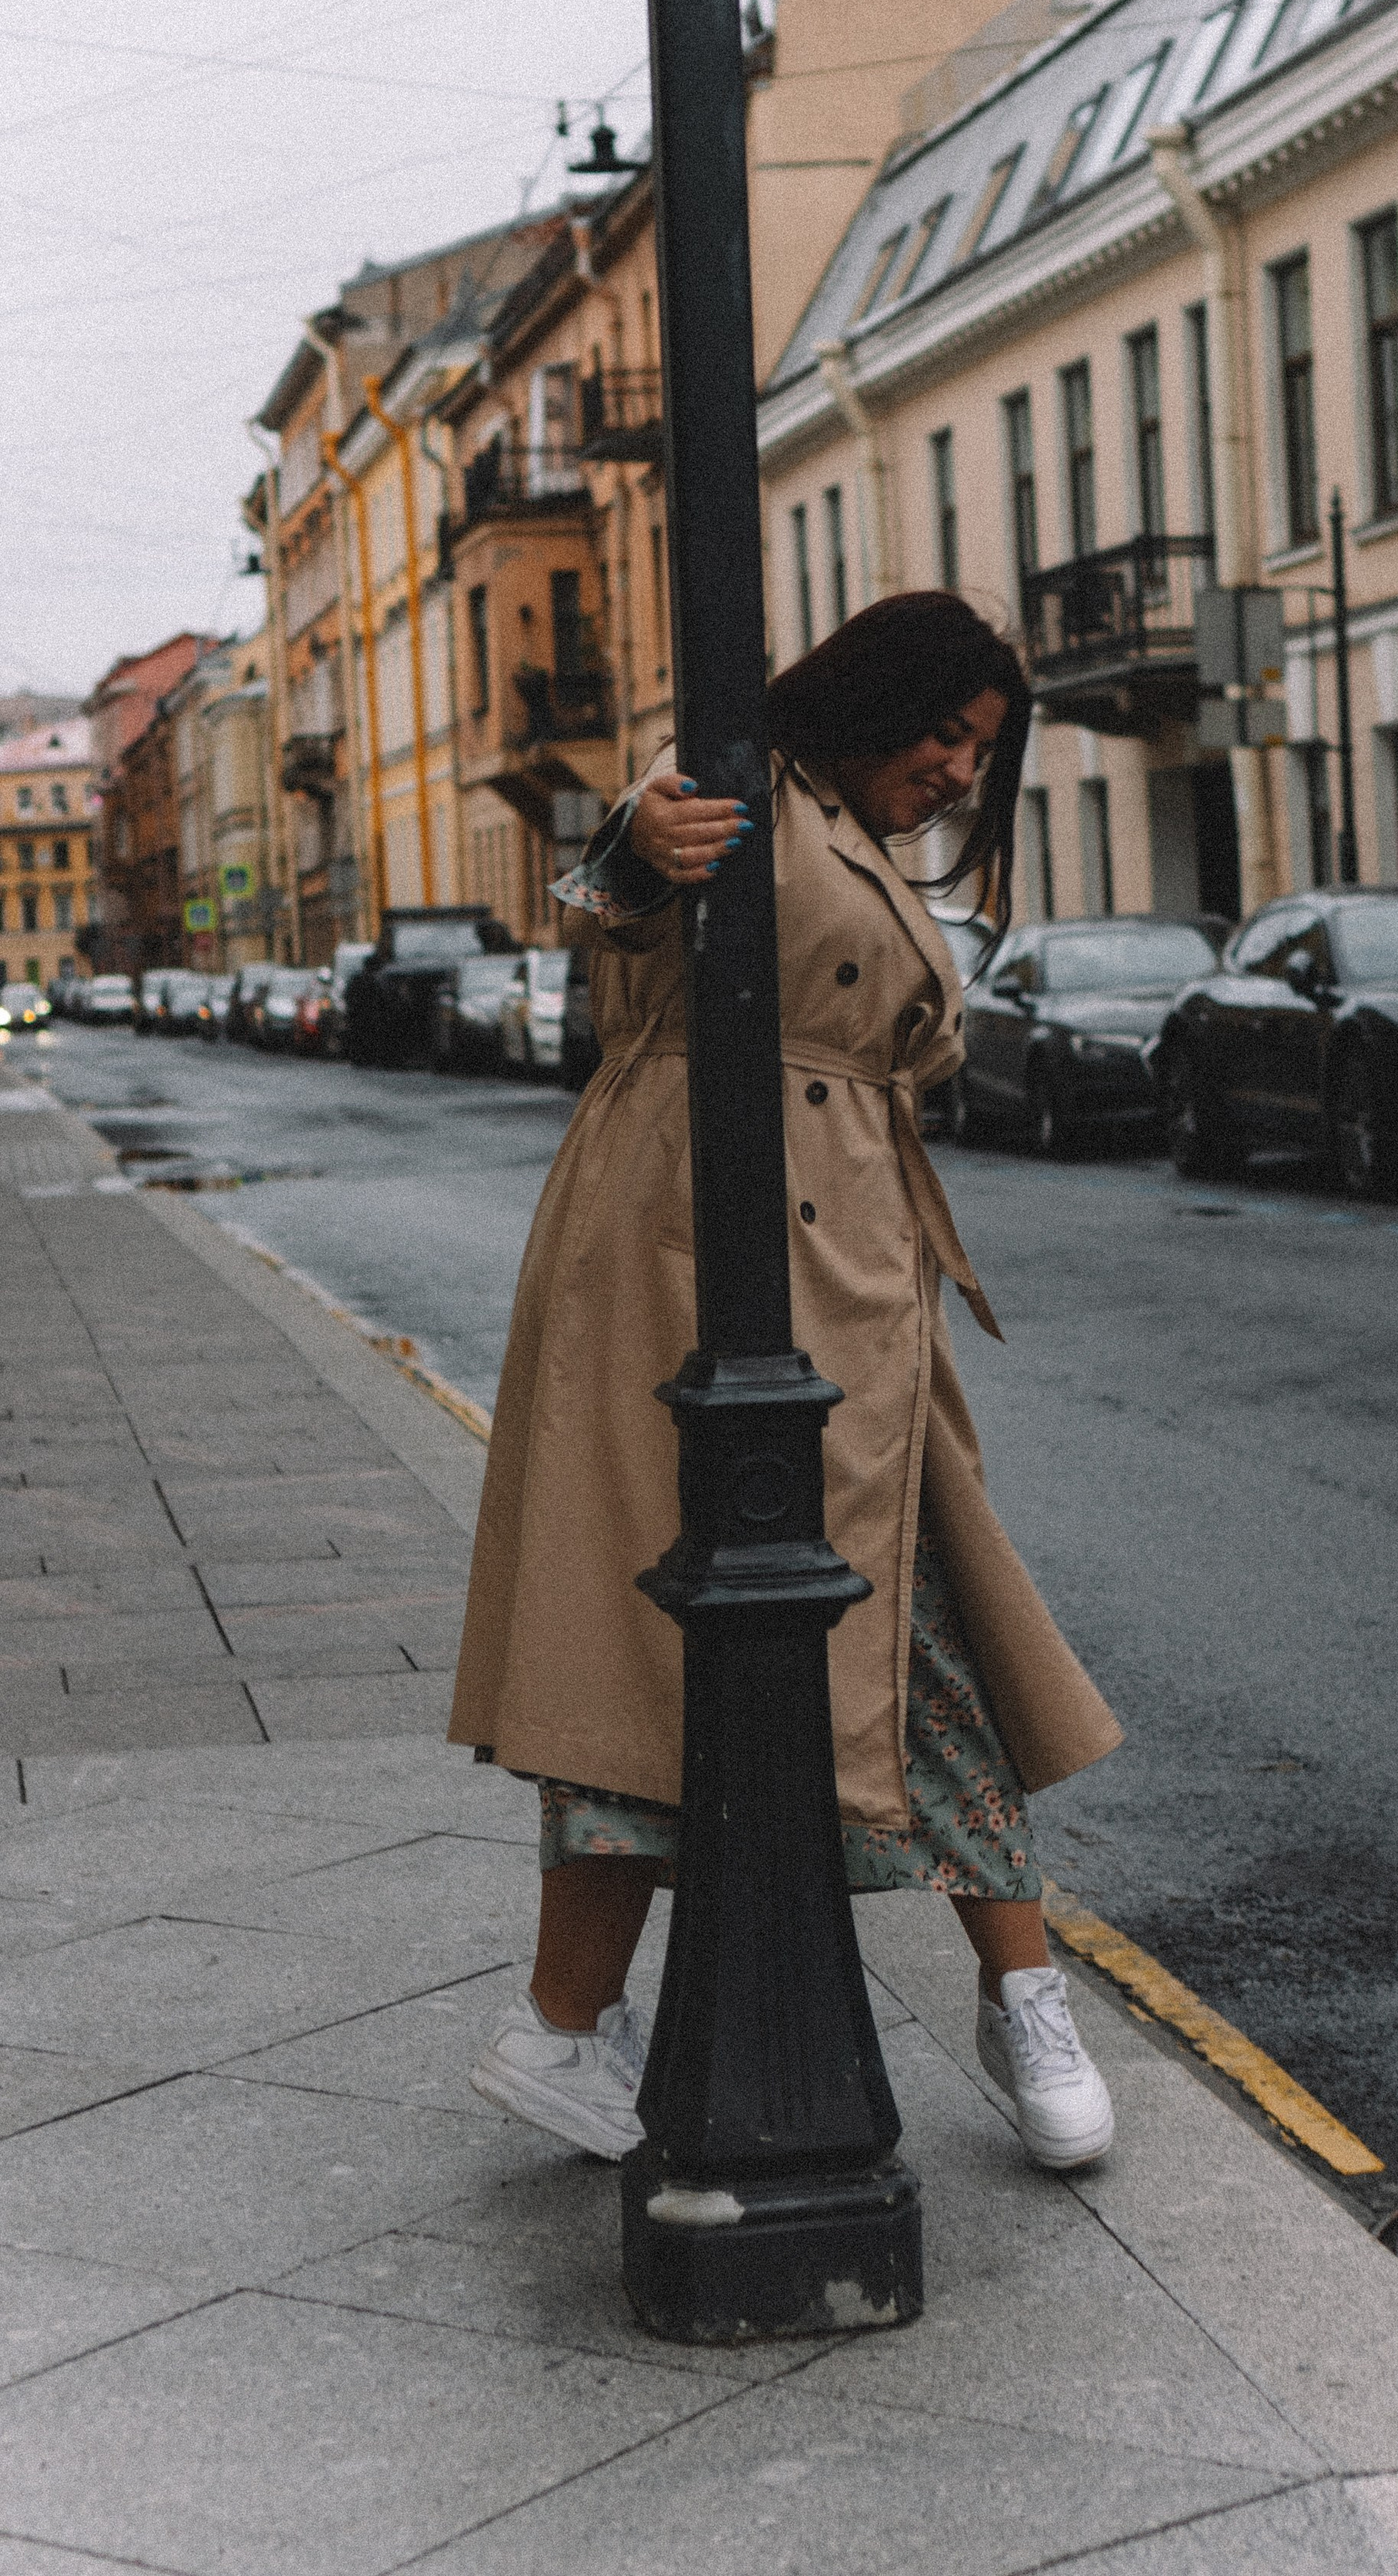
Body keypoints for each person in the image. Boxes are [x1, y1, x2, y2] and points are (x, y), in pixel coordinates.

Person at [450, 592, 1123, 2176]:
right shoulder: (734, 782)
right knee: (653, 1644)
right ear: (870, 698)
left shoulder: (858, 838)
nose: (958, 770)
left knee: (927, 1621)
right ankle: (560, 2024)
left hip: (848, 1282)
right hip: (696, 1264)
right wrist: (627, 851)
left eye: (981, 747)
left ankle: (1018, 1995)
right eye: (941, 731)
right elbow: (620, 905)